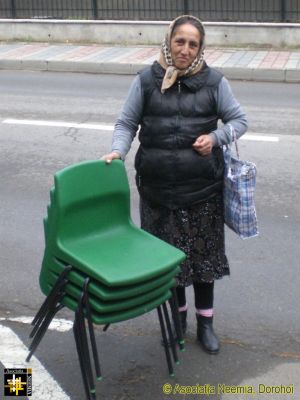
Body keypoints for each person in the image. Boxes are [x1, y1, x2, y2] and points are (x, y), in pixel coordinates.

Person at [102, 15, 248, 354]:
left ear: (200, 48)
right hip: (158, 193)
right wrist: (117, 151)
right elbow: (126, 122)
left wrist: (215, 137)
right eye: (179, 41)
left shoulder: (214, 82)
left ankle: (205, 324)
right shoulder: (146, 80)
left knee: (203, 262)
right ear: (169, 41)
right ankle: (177, 321)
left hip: (202, 193)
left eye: (192, 44)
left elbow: (239, 120)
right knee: (169, 263)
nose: (184, 49)